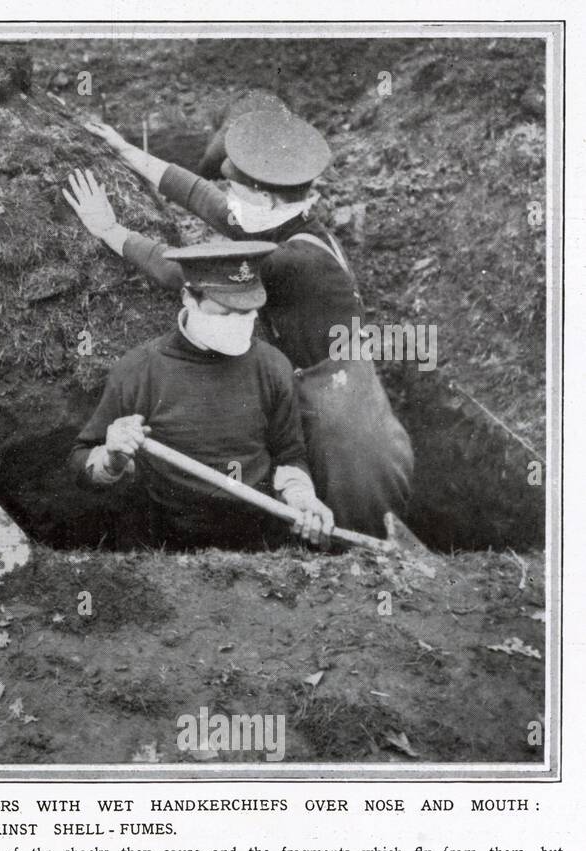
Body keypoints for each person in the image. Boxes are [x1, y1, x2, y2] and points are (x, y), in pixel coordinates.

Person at [71, 108, 413, 536]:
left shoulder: (293, 259)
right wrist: (128, 153)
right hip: (345, 388)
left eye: (235, 191)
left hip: (341, 421)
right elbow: (208, 201)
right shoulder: (292, 223)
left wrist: (110, 230)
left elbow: (188, 274)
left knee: (348, 533)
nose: (229, 200)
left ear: (266, 200)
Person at [69, 241, 333, 551]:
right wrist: (112, 458)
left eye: (247, 312)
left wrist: (300, 497)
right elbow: (79, 462)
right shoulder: (140, 370)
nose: (238, 324)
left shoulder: (273, 366)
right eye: (225, 312)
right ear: (189, 299)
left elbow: (289, 455)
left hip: (256, 543)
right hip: (167, 545)